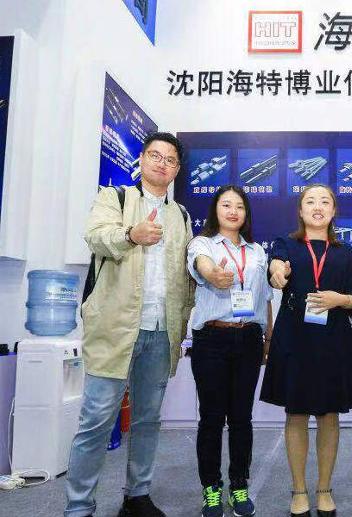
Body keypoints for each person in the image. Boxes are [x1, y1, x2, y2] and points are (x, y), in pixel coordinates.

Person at [65, 132, 194, 517]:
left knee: (147, 420)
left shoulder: (181, 215)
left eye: (170, 160)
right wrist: (130, 234)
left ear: (177, 169)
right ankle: (79, 506)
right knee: (96, 420)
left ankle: (137, 495)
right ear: (142, 159)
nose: (162, 164)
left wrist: (182, 325)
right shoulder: (115, 198)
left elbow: (185, 278)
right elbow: (95, 237)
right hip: (115, 329)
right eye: (155, 155)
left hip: (161, 331)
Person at [260, 184, 352, 517]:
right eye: (310, 201)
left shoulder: (345, 251)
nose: (317, 207)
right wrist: (278, 273)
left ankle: (324, 489)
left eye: (324, 202)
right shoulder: (286, 244)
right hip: (295, 338)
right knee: (296, 414)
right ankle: (298, 490)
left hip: (333, 339)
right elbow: (275, 268)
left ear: (333, 211)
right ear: (301, 210)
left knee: (329, 415)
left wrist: (340, 299)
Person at [186, 185, 273, 517]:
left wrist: (267, 338)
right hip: (212, 339)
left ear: (246, 213)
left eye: (239, 206)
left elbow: (265, 298)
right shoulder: (202, 243)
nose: (233, 211)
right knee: (211, 418)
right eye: (226, 205)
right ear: (216, 210)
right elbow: (203, 265)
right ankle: (211, 488)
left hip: (249, 338)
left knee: (241, 418)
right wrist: (214, 274)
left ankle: (239, 485)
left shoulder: (257, 252)